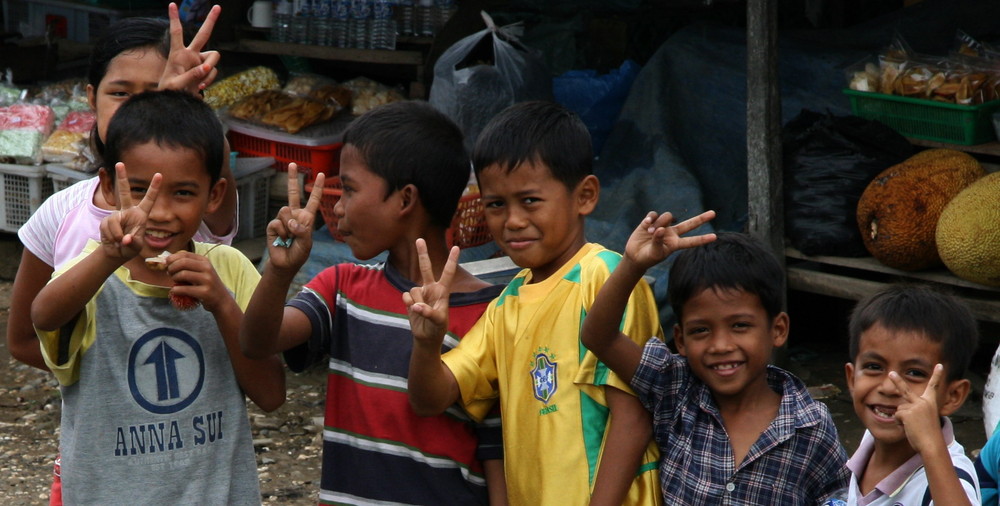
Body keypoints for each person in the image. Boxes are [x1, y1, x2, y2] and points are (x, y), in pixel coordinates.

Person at [239, 100, 507, 505]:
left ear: (405, 199)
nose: (339, 208)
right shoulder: (342, 288)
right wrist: (278, 271)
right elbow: (258, 343)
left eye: (348, 189)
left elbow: (496, 450)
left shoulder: (491, 314)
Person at [30, 89, 285, 505]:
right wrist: (109, 257)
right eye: (140, 190)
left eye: (183, 193)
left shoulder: (229, 269)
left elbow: (271, 395)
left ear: (214, 195)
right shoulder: (88, 277)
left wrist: (221, 303)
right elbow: (42, 315)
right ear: (109, 188)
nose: (161, 212)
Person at [405, 101, 663, 505]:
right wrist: (426, 342)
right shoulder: (507, 304)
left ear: (585, 196)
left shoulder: (606, 277)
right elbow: (429, 399)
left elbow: (634, 417)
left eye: (529, 201)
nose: (512, 221)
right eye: (496, 204)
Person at [9, 3, 234, 372]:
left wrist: (184, 105)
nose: (138, 109)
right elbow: (22, 339)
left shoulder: (192, 204)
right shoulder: (60, 213)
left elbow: (212, 161)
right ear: (91, 96)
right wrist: (108, 381)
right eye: (120, 93)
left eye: (155, 93)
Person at [579, 226, 851, 504]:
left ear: (778, 329)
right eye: (701, 331)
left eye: (740, 326)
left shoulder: (810, 425)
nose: (720, 345)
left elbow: (841, 497)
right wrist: (633, 265)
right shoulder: (676, 390)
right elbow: (598, 336)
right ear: (681, 340)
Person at [844, 284, 980, 505]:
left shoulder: (951, 479)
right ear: (852, 378)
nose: (889, 387)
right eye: (874, 367)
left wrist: (931, 447)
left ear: (952, 395)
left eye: (915, 373)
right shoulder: (871, 439)